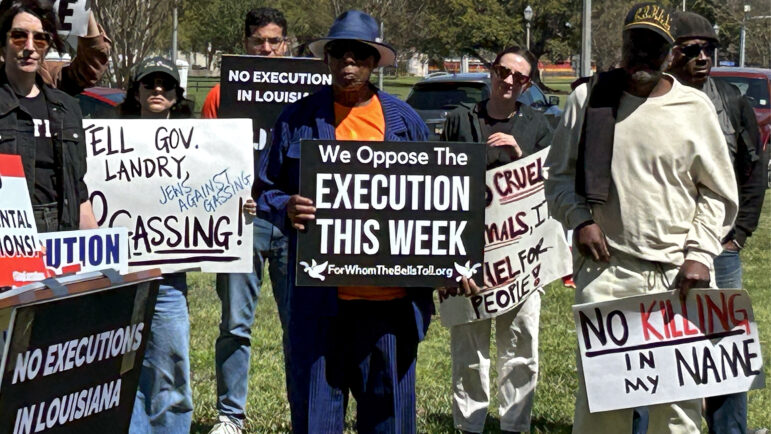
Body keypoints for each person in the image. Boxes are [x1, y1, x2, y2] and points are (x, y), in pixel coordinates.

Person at [544, 3, 738, 433]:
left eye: (656, 47)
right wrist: (580, 221)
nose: (644, 56)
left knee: (677, 414)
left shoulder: (695, 108)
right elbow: (556, 179)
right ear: (623, 45)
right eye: (637, 44)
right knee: (602, 410)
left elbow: (719, 195)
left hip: (679, 281)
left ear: (671, 54)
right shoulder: (588, 99)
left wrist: (701, 253)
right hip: (608, 275)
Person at [255, 10, 432, 433]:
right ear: (326, 59)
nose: (348, 63)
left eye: (360, 54)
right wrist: (286, 207)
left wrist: (447, 263)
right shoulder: (297, 119)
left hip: (390, 306)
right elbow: (263, 189)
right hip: (321, 304)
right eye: (339, 53)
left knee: (389, 419)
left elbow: (434, 199)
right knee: (317, 419)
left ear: (375, 61)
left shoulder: (405, 122)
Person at [440, 46, 552, 434]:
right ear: (491, 71)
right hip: (468, 252)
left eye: (519, 77)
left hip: (520, 254)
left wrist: (519, 154)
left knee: (520, 347)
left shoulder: (538, 126)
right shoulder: (459, 120)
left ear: (527, 84)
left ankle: (514, 426)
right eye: (503, 71)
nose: (508, 81)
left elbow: (549, 185)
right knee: (468, 348)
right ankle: (468, 425)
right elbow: (440, 185)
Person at [668, 12, 766, 434]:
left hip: (719, 249)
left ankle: (729, 429)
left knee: (724, 345)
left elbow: (753, 170)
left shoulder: (730, 100)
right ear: (670, 53)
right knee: (662, 342)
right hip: (662, 245)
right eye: (691, 49)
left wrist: (738, 236)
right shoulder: (651, 100)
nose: (702, 57)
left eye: (709, 49)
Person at [201, 7, 291, 434]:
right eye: (258, 41)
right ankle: (230, 415)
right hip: (241, 221)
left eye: (274, 41)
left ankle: (307, 411)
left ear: (286, 45)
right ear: (245, 45)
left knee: (302, 324)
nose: (267, 49)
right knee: (235, 323)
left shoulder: (306, 95)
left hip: (294, 221)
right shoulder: (220, 95)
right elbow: (206, 158)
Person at [118, 56, 196, 434]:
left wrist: (238, 206)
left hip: (168, 280)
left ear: (177, 94)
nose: (158, 91)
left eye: (166, 85)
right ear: (136, 92)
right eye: (149, 84)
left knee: (171, 366)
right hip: (119, 276)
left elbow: (217, 197)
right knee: (123, 367)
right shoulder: (109, 141)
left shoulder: (201, 147)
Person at [0, 0, 97, 232]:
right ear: (3, 47)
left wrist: (99, 253)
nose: (30, 47)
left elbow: (78, 192)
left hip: (62, 231)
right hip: (10, 236)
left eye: (40, 39)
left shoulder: (67, 108)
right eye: (19, 37)